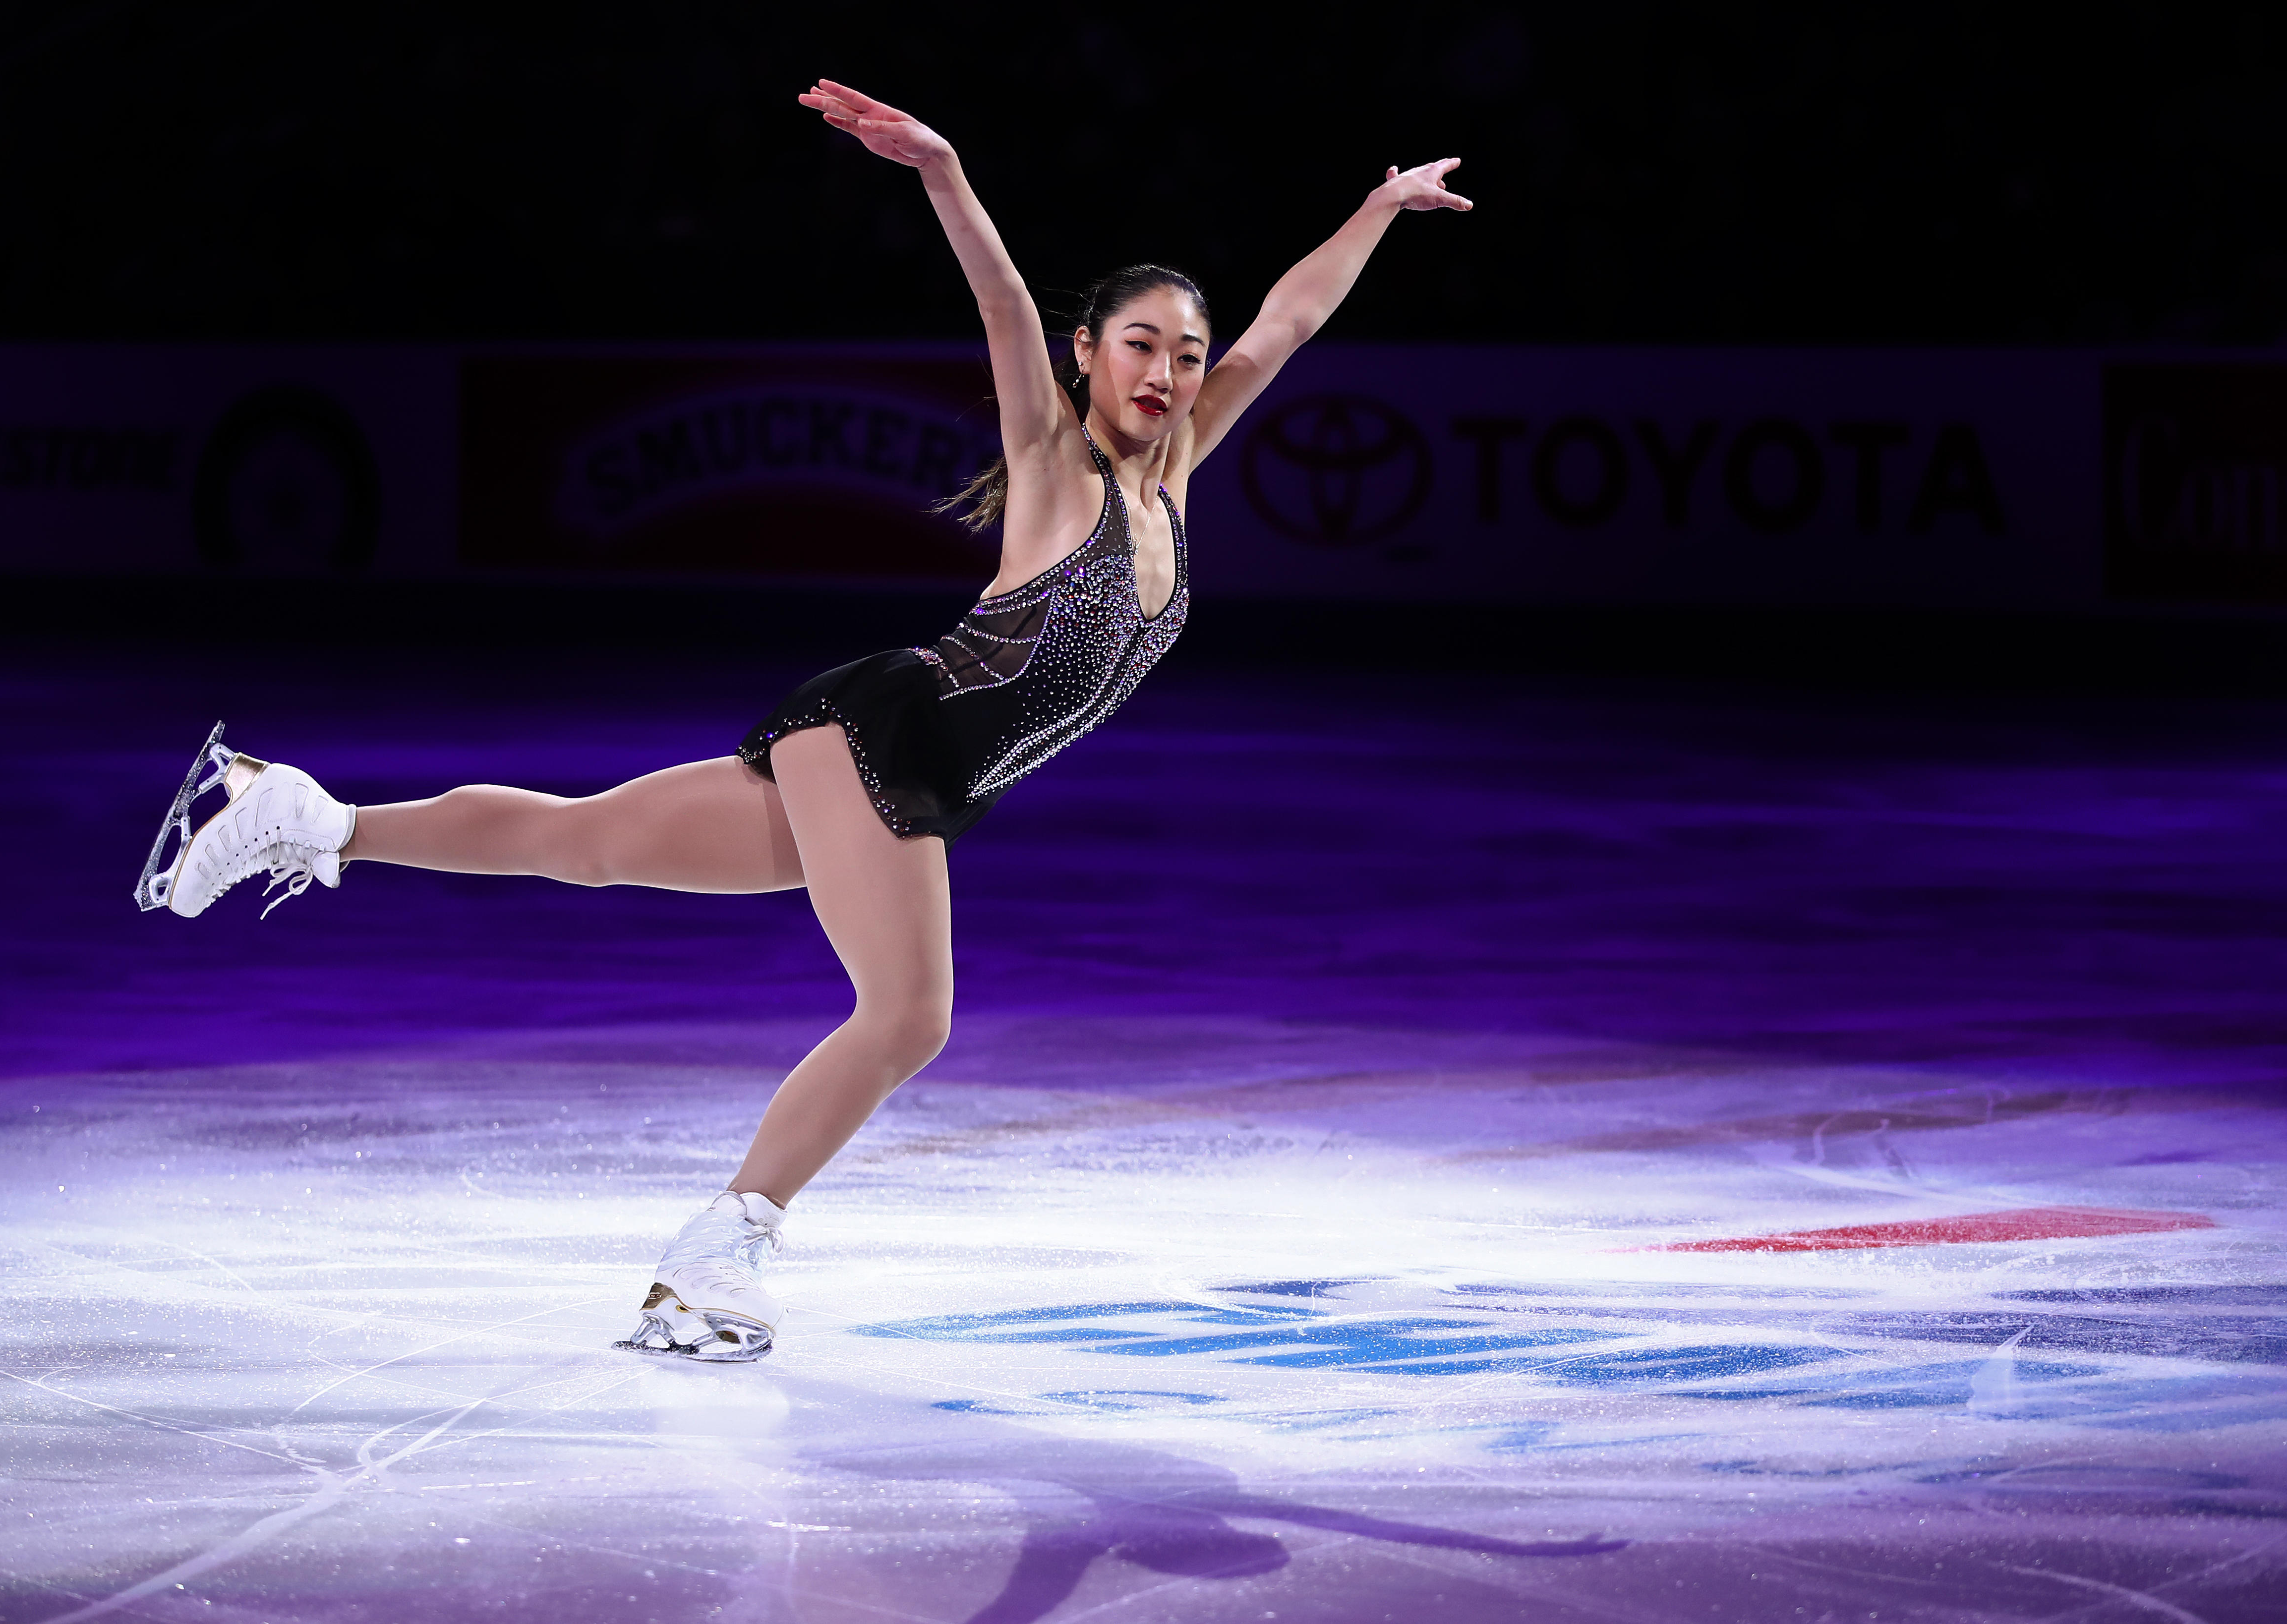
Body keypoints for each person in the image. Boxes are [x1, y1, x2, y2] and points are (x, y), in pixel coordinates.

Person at [133, 80, 1471, 1361]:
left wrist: (1377, 207)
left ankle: (309, 815)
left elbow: (1286, 325)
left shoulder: (1174, 480)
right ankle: (715, 1256)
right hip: (896, 736)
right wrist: (944, 170)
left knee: (585, 842)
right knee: (911, 1015)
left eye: (1186, 353)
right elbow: (1004, 300)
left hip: (914, 768)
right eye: (1141, 344)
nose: (1171, 372)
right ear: (1089, 353)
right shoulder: (1053, 459)